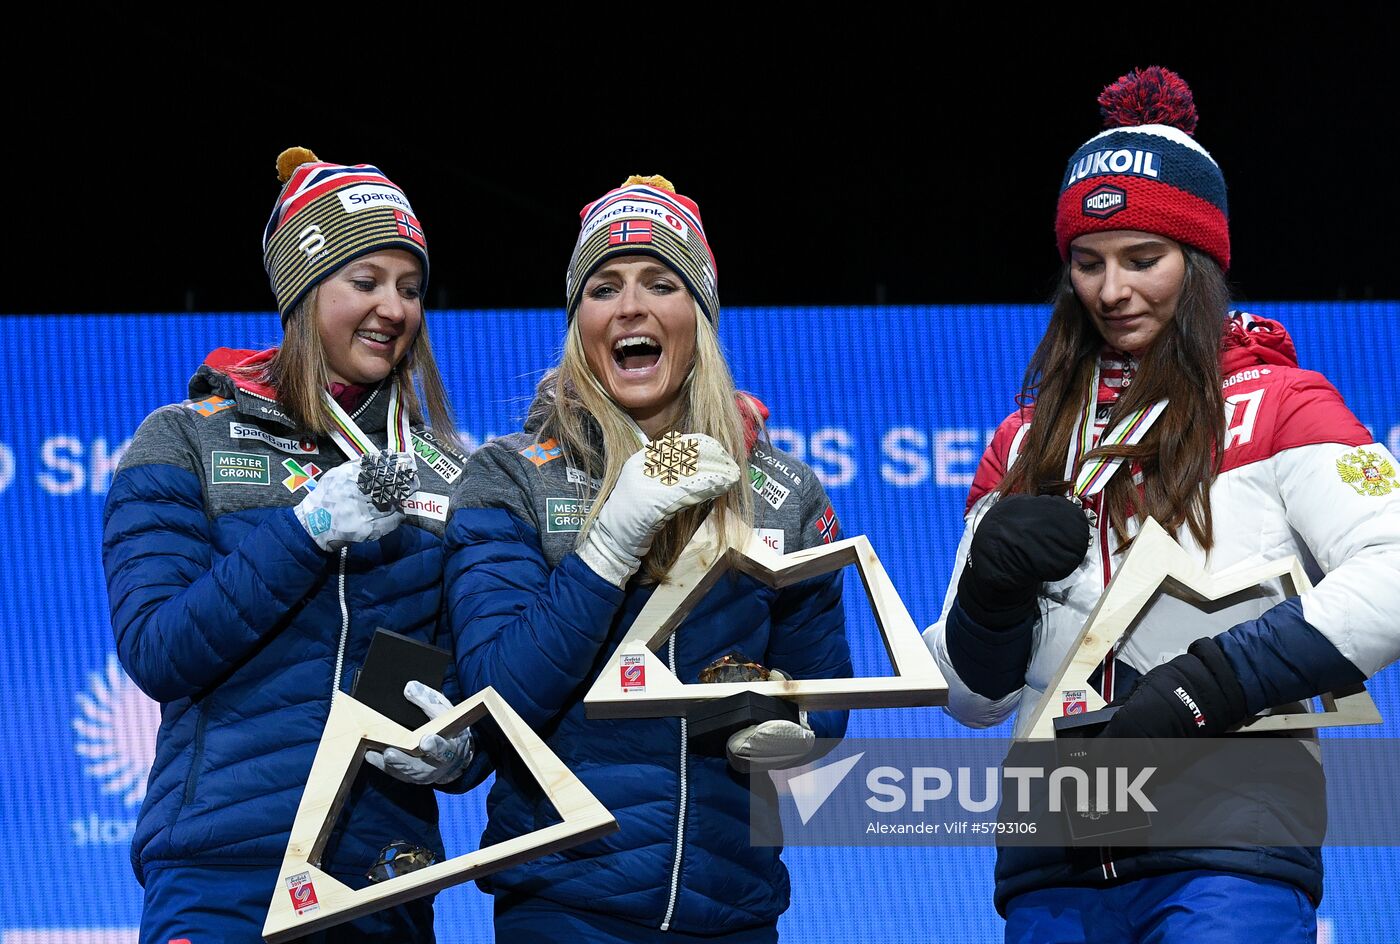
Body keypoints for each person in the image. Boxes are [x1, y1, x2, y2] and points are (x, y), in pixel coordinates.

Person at [923, 67, 1400, 941]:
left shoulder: (1281, 402)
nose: (1113, 291)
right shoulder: (1022, 442)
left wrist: (1211, 685)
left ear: (1202, 260)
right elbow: (968, 699)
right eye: (1088, 262)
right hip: (1051, 856)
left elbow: (1394, 575)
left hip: (1228, 843)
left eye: (1144, 259)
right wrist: (987, 602)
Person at [444, 175, 853, 942]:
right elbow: (496, 702)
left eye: (661, 283)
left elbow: (824, 695)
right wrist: (608, 547)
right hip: (565, 905)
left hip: (735, 908)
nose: (631, 306)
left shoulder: (786, 490)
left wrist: (797, 724)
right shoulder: (510, 478)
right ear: (580, 323)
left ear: (697, 317)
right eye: (604, 287)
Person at [103, 148, 474, 943]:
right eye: (365, 280)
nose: (394, 308)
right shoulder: (182, 442)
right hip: (226, 870)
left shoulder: (454, 470)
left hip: (384, 878)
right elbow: (158, 648)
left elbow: (475, 673)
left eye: (410, 288)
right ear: (304, 291)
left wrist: (461, 750)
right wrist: (303, 531)